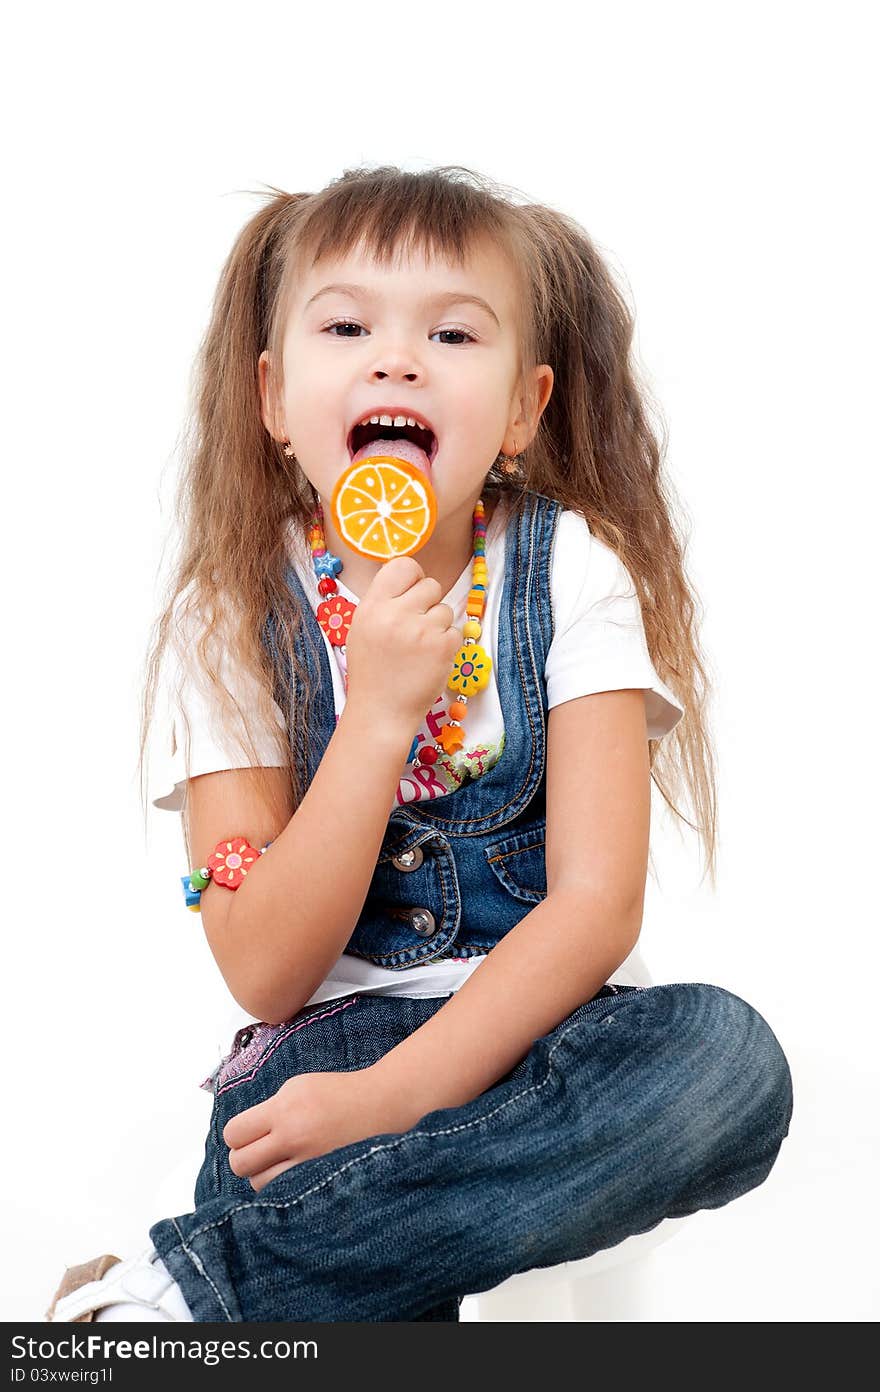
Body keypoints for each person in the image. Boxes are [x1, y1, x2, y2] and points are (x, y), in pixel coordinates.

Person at [47, 164, 793, 1323]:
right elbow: (265, 968)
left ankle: (196, 1297)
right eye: (345, 325)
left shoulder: (573, 571)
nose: (395, 359)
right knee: (317, 1153)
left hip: (547, 1040)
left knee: (728, 1061)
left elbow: (597, 909)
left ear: (520, 412)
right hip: (327, 1051)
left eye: (451, 332)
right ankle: (258, 1275)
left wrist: (397, 1102)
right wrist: (380, 712)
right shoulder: (228, 617)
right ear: (274, 399)